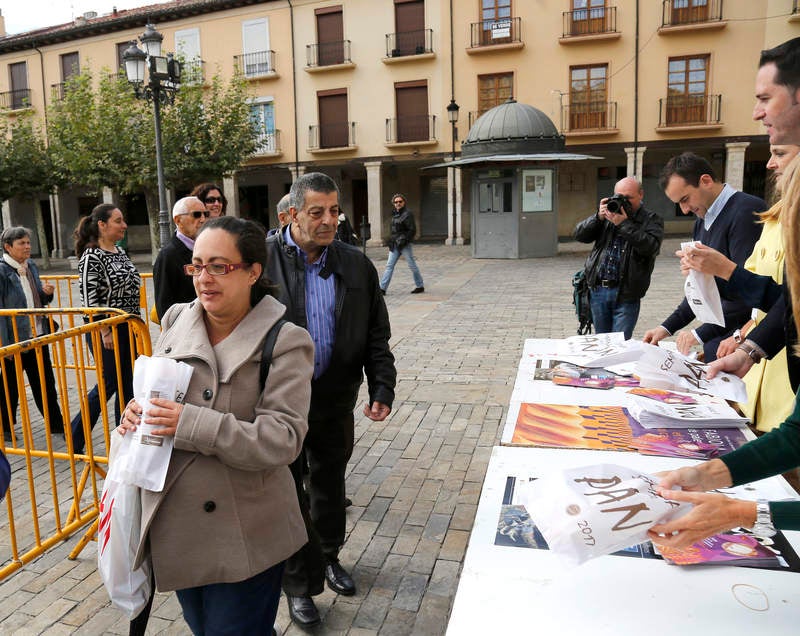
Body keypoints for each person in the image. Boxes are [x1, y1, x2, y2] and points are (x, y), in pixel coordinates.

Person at [118, 217, 313, 635]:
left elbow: (283, 440)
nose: (204, 278)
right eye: (197, 266)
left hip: (245, 533)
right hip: (176, 524)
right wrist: (135, 414)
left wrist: (189, 422)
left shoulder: (285, 340)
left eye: (219, 266)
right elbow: (159, 394)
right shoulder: (175, 321)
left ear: (253, 272)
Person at [265, 172, 396, 628]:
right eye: (316, 211)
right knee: (288, 493)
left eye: (334, 211)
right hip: (278, 404)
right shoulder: (260, 262)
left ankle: (329, 556)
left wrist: (382, 386)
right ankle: (299, 585)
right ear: (291, 214)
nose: (328, 220)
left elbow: (377, 332)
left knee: (329, 486)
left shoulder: (356, 265)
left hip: (335, 398)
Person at [676, 145, 799, 432]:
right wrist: (706, 275)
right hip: (756, 373)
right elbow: (755, 296)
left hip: (783, 376)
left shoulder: (746, 210)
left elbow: (787, 301)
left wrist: (722, 270)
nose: (769, 164)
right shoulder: (774, 217)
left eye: (780, 153)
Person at [706, 37, 800, 388]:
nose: (757, 113)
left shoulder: (746, 210)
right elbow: (790, 299)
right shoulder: (781, 213)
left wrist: (726, 270)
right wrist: (750, 349)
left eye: (764, 99)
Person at [642, 152, 765, 361]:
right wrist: (666, 327)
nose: (684, 209)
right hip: (720, 342)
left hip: (744, 344)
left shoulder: (746, 211)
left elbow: (750, 292)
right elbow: (701, 288)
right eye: (678, 204)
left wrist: (699, 334)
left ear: (706, 181)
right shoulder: (703, 218)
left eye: (685, 199)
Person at [69, 204, 141, 455]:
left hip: (130, 327)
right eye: (118, 221)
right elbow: (89, 301)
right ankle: (76, 434)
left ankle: (124, 437)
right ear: (102, 225)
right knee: (110, 382)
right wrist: (104, 331)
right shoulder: (91, 257)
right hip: (106, 330)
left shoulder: (120, 252)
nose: (124, 225)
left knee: (128, 384)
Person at [572, 177, 664, 339]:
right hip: (598, 290)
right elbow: (579, 235)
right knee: (603, 343)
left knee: (620, 344)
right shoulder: (608, 215)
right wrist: (598, 217)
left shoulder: (651, 219)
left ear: (641, 194)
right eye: (619, 196)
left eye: (628, 198)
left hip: (626, 293)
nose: (623, 202)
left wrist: (623, 224)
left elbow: (650, 247)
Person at [0, 227, 64, 437]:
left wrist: (46, 294)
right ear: (8, 247)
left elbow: (37, 299)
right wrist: (4, 344)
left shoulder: (31, 266)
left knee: (45, 382)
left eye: (28, 242)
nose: (27, 247)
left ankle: (57, 424)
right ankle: (5, 427)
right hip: (14, 339)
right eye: (22, 243)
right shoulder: (2, 271)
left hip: (37, 335)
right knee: (9, 386)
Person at [152, 197, 209, 319]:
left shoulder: (209, 248)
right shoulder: (167, 256)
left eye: (206, 214)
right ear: (178, 220)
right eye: (197, 214)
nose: (203, 219)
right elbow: (164, 308)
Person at [379, 193, 425, 294]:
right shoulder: (394, 214)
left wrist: (404, 240)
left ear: (404, 202)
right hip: (394, 244)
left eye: (400, 201)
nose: (398, 203)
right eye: (396, 202)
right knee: (389, 266)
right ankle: (382, 288)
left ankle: (420, 285)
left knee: (412, 265)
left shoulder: (408, 214)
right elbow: (393, 230)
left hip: (404, 244)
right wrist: (391, 240)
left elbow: (412, 230)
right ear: (393, 204)